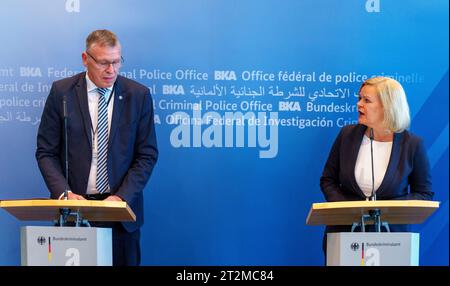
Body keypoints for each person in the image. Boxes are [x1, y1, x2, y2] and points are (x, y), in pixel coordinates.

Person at [36, 29, 158, 266]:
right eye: (103, 63)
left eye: (116, 62)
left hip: (121, 215)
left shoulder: (138, 95)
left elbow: (147, 154)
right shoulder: (62, 93)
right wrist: (64, 193)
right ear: (85, 59)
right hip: (74, 210)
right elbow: (46, 152)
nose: (111, 70)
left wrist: (121, 197)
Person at [319, 76, 433, 259]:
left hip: (393, 239)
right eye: (359, 98)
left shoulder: (412, 144)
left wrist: (389, 210)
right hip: (345, 236)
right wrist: (347, 210)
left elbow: (424, 193)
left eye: (367, 100)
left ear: (387, 106)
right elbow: (328, 180)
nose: (359, 105)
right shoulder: (347, 134)